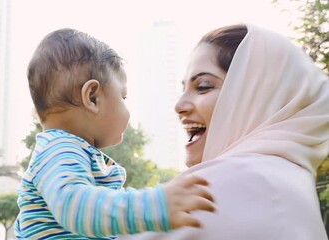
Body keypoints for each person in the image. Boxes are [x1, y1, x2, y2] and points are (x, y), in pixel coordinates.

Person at [119, 23, 329, 239]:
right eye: (185, 89)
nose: (180, 105)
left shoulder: (242, 179)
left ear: (255, 95)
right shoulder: (289, 178)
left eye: (203, 86)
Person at [14, 28, 216, 239]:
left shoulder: (67, 152)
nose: (127, 108)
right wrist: (156, 205)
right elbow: (73, 207)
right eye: (123, 96)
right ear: (92, 98)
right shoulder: (59, 149)